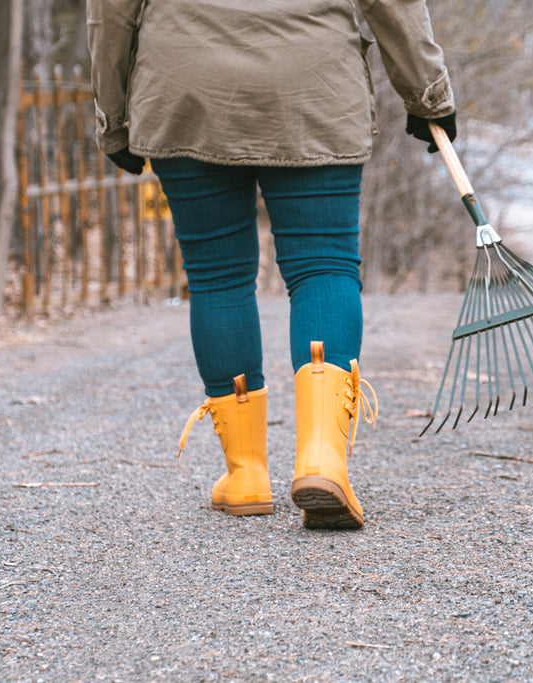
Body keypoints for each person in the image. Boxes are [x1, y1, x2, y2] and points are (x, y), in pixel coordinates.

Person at [87, 0, 456, 529]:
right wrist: (428, 94)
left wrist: (114, 115)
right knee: (324, 264)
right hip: (312, 84)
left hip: (186, 84)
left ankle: (245, 475)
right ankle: (323, 460)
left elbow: (110, 12)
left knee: (217, 275)